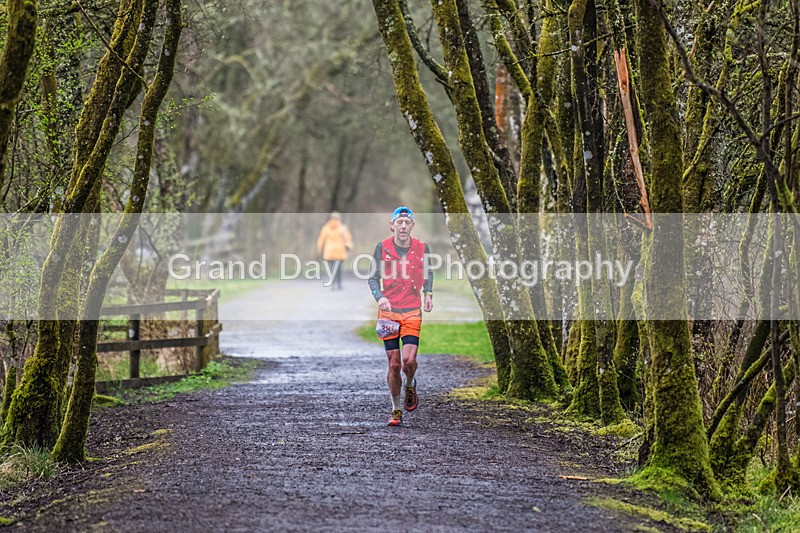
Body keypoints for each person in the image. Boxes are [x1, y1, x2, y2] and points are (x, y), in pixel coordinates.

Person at [368, 206, 433, 427]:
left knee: (409, 360)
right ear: (392, 225)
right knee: (394, 364)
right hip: (388, 312)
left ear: (412, 226)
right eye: (399, 222)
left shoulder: (422, 248)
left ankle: (411, 383)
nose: (403, 226)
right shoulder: (382, 248)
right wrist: (379, 297)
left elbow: (428, 274)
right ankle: (396, 410)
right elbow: (373, 279)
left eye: (407, 222)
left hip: (412, 310)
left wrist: (428, 295)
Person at [316, 212, 353, 290]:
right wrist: (349, 247)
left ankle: (333, 283)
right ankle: (339, 283)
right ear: (339, 219)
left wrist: (319, 251)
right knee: (339, 268)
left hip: (329, 251)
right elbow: (348, 238)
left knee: (332, 268)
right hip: (340, 251)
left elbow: (321, 241)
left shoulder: (326, 227)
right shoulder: (342, 228)